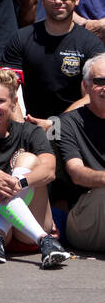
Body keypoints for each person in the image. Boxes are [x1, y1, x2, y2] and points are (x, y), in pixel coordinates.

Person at [0, 67, 69, 268]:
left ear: (14, 102)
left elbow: (49, 171)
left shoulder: (31, 132)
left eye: (0, 101)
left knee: (28, 159)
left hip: (25, 231)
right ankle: (45, 241)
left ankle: (4, 233)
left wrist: (20, 182)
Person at [2, 0, 105, 128]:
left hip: (76, 128)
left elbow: (93, 96)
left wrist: (54, 125)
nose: (58, 1)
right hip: (30, 126)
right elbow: (6, 88)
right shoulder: (21, 38)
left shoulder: (91, 44)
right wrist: (22, 131)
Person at [55, 54, 105, 253]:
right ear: (85, 86)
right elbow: (76, 173)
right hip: (85, 221)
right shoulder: (68, 123)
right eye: (99, 81)